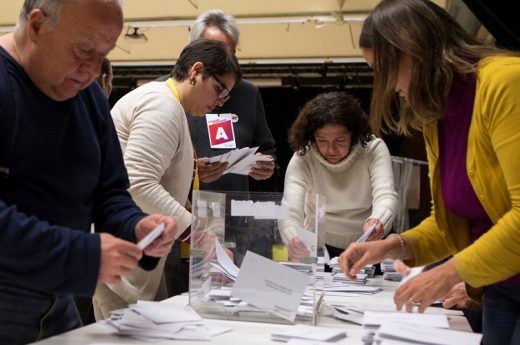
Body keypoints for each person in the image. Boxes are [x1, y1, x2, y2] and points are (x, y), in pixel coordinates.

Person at [339, 1, 520, 343]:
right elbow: (449, 220)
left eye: (385, 69)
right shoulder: (440, 114)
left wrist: (447, 273)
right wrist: (393, 246)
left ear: (414, 50)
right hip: (501, 286)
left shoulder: (505, 82)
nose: (388, 85)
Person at [0, 0, 177, 343]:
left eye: (105, 54)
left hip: (60, 303)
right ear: (37, 26)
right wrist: (80, 254)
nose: (94, 70)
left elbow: (109, 192)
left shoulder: (87, 95)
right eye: (84, 50)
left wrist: (135, 226)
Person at [92, 39, 241, 320]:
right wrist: (202, 237)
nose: (219, 102)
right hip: (121, 259)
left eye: (226, 96)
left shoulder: (167, 103)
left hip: (129, 256)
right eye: (219, 89)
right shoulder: (162, 104)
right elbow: (138, 183)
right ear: (196, 71)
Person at [163, 10, 277, 296]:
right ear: (194, 55)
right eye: (214, 51)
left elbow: (268, 148)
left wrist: (267, 164)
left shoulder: (248, 94)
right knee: (176, 302)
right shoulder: (166, 95)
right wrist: (190, 170)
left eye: (229, 52)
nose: (223, 60)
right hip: (181, 224)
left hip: (235, 224)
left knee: (234, 304)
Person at [278, 91, 398, 261]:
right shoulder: (304, 157)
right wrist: (293, 238)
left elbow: (386, 194)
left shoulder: (373, 149)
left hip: (369, 242)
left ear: (354, 134)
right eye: (322, 141)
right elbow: (290, 208)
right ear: (312, 137)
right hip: (320, 247)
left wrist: (378, 220)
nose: (331, 150)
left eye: (340, 141)